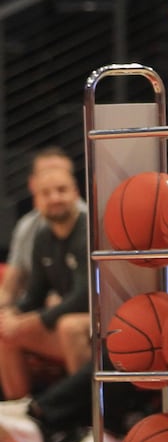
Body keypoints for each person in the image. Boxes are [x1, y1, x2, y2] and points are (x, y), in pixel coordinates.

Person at [0, 156, 89, 405]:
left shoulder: (89, 229)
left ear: (76, 192)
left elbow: (85, 296)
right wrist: (13, 315)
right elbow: (35, 294)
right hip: (65, 319)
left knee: (68, 326)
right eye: (46, 193)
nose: (54, 198)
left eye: (61, 190)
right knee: (5, 330)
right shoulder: (42, 236)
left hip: (102, 320)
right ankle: (21, 414)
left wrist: (32, 320)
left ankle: (85, 417)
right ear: (36, 200)